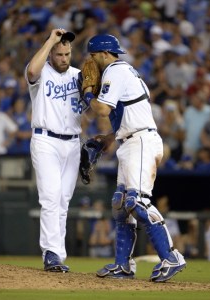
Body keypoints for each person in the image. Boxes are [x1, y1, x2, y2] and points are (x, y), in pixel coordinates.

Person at [82, 34, 186, 282]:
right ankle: (123, 265)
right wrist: (108, 139)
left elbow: (103, 110)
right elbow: (128, 115)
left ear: (105, 54)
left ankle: (172, 257)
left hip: (140, 141)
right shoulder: (124, 72)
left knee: (137, 202)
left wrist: (87, 92)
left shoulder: (115, 71)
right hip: (130, 140)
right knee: (120, 204)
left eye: (94, 55)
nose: (91, 61)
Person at [25, 28, 86, 272]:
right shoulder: (41, 72)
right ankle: (50, 252)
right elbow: (30, 71)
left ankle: (58, 255)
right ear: (50, 54)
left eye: (67, 53)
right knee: (50, 197)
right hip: (45, 140)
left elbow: (91, 108)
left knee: (63, 201)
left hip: (72, 143)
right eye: (59, 54)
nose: (64, 58)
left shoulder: (80, 75)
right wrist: (51, 40)